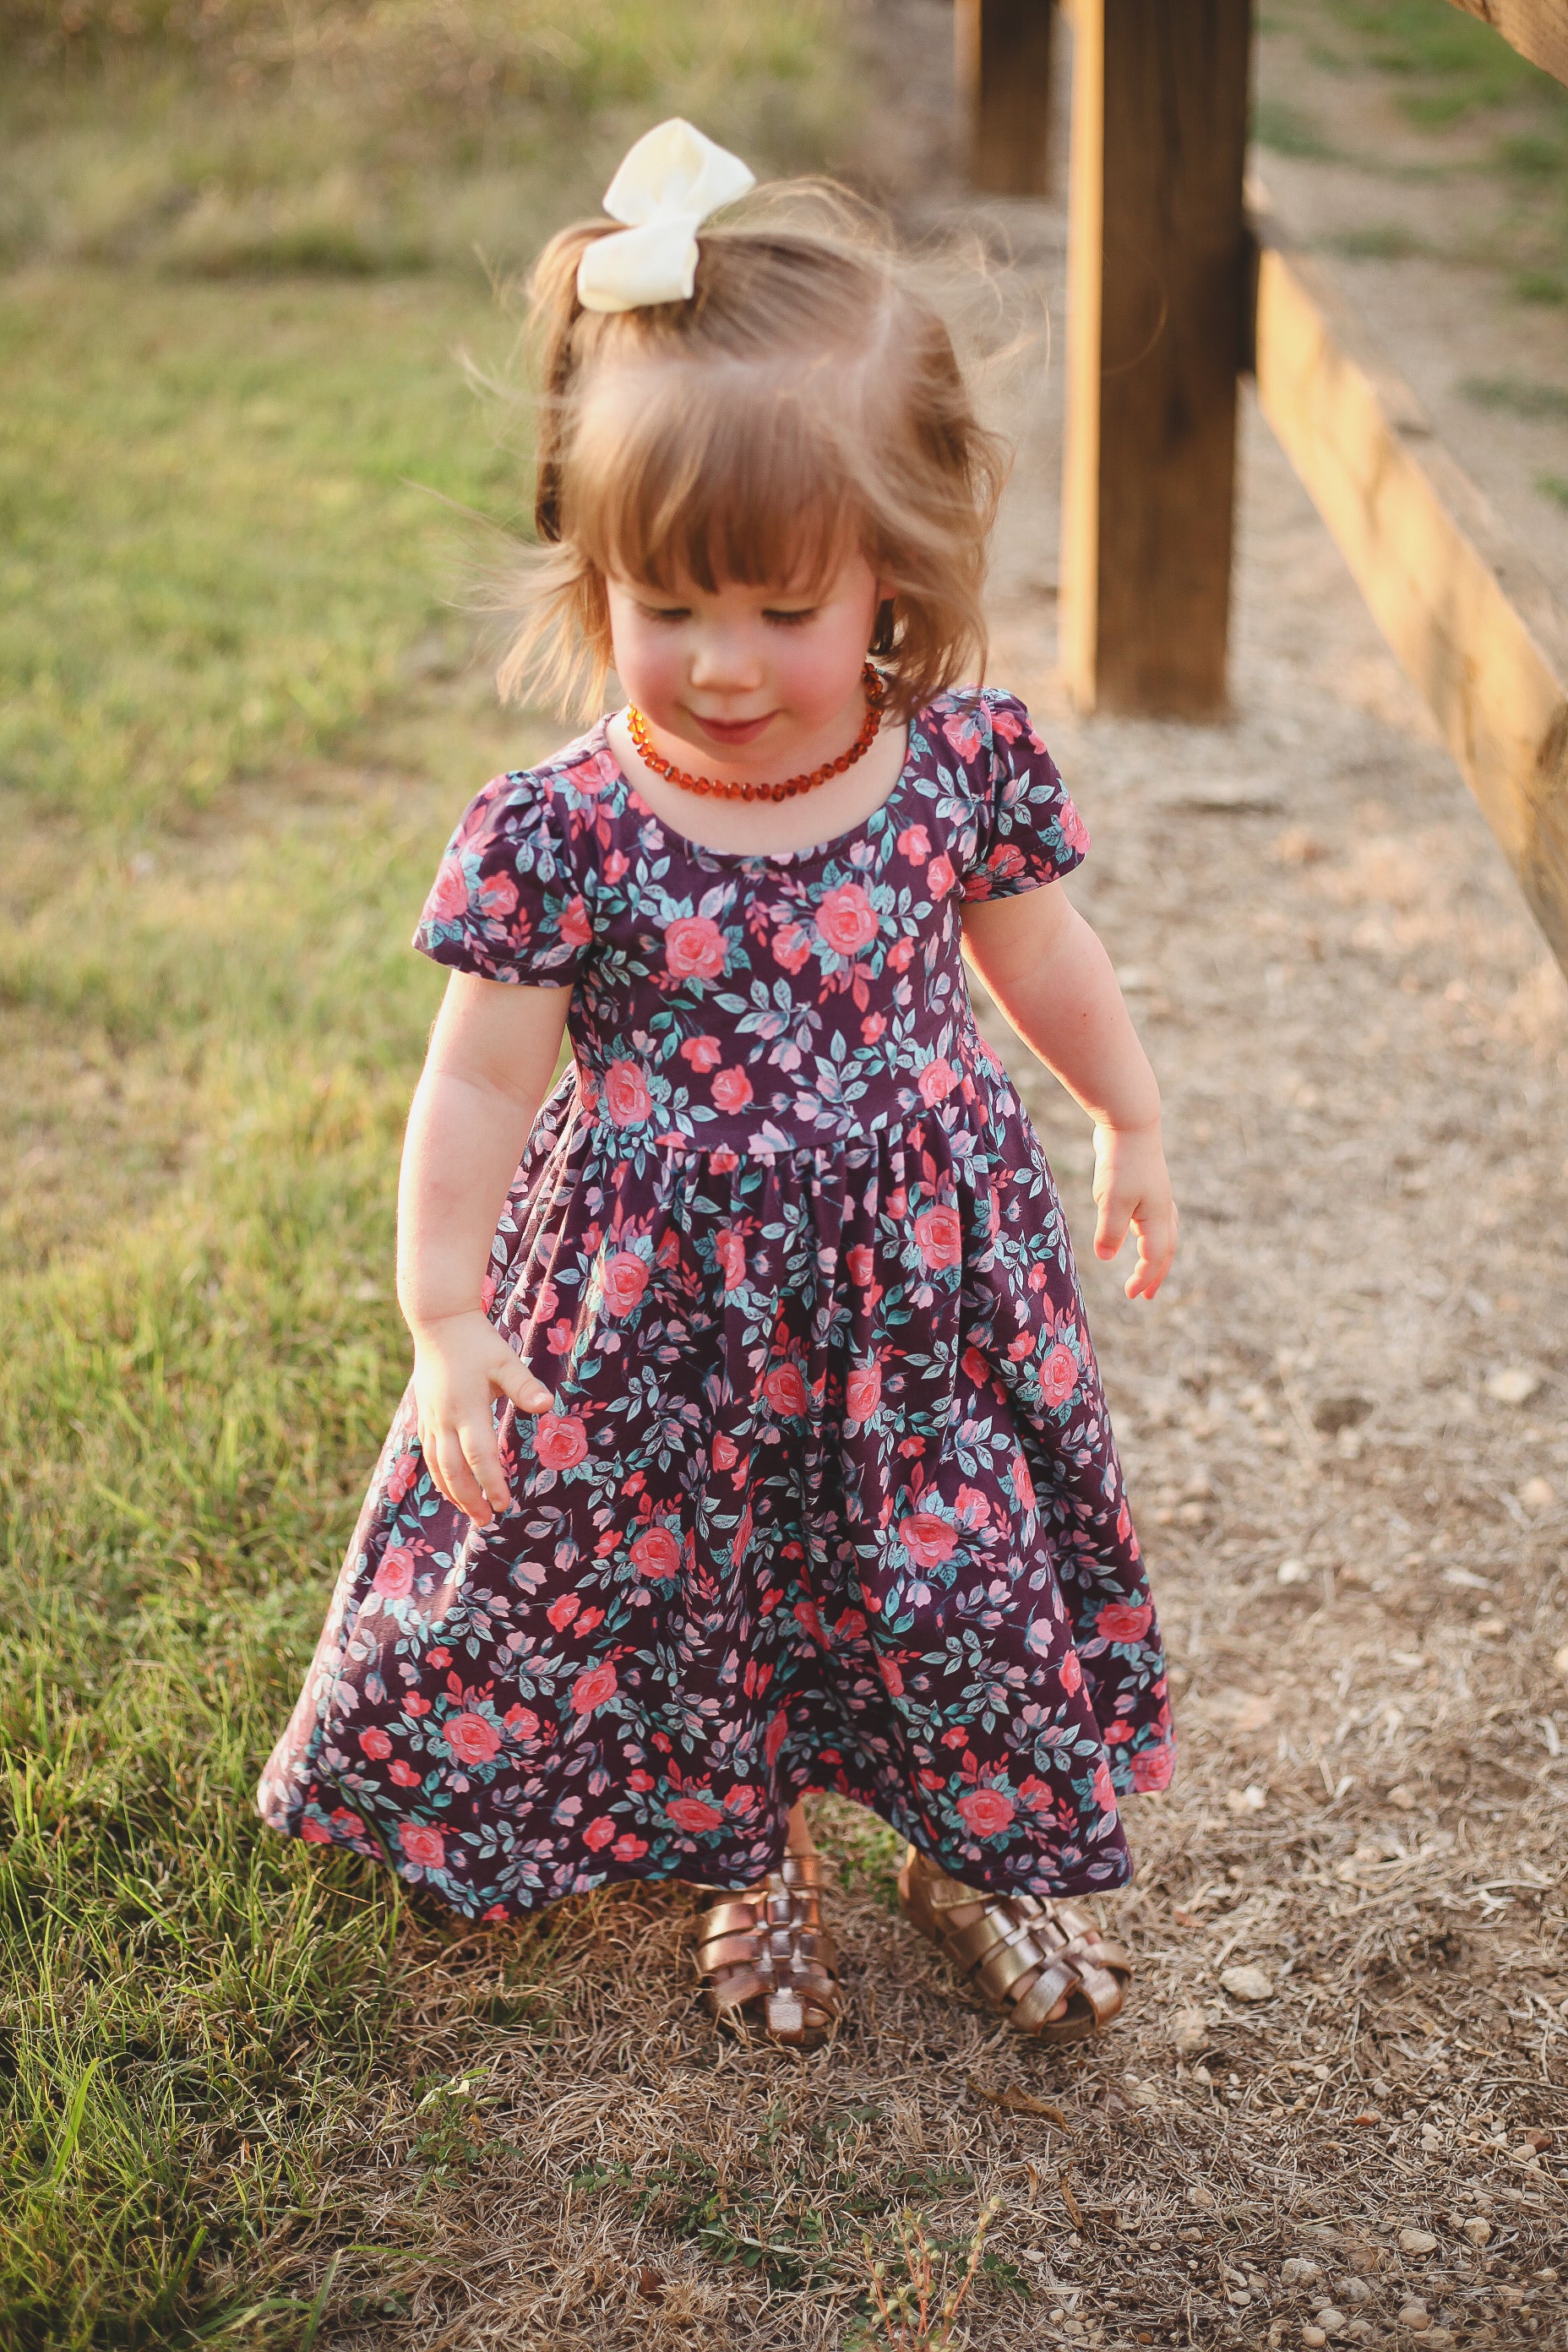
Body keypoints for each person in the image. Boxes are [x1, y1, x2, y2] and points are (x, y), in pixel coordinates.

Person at [259, 119, 1178, 2050]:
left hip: (914, 1297)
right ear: (592, 574)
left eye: (783, 607)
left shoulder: (950, 770)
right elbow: (479, 1086)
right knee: (706, 1583)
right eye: (668, 605)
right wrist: (445, 1312)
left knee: (943, 1569)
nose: (726, 662)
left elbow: (1039, 955)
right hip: (662, 1311)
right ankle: (747, 1861)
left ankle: (972, 1839)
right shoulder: (565, 831)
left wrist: (1131, 1114)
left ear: (899, 574)